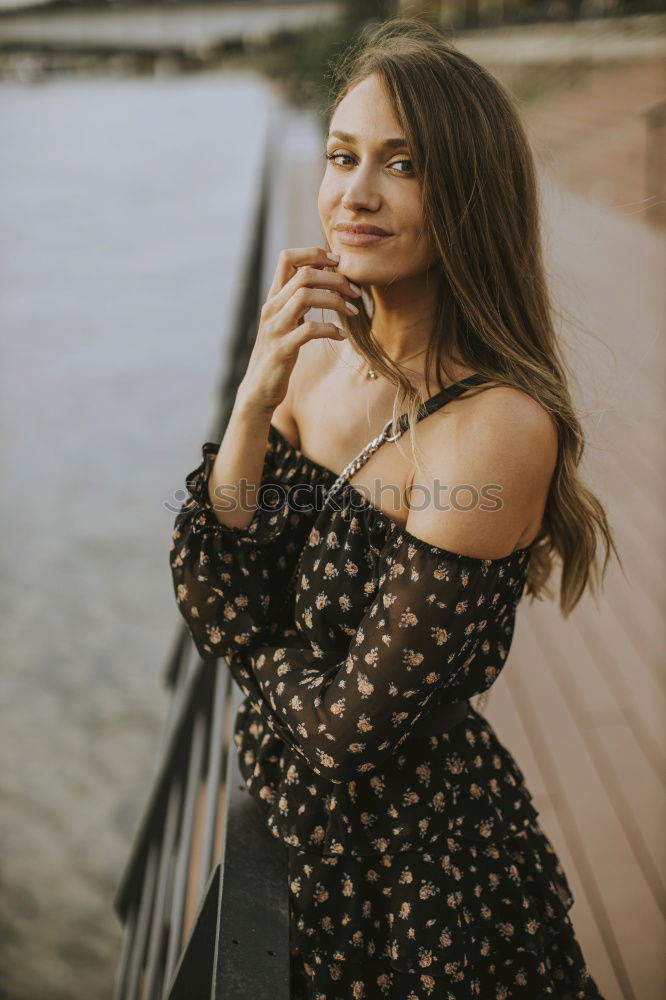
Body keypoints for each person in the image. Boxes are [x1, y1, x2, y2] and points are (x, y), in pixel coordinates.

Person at [170, 18, 619, 999]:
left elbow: (344, 734)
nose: (352, 194)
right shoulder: (317, 359)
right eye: (340, 157)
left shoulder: (495, 428)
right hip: (298, 855)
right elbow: (206, 564)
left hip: (420, 889)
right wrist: (253, 396)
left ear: (467, 192)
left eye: (400, 164)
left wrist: (246, 639)